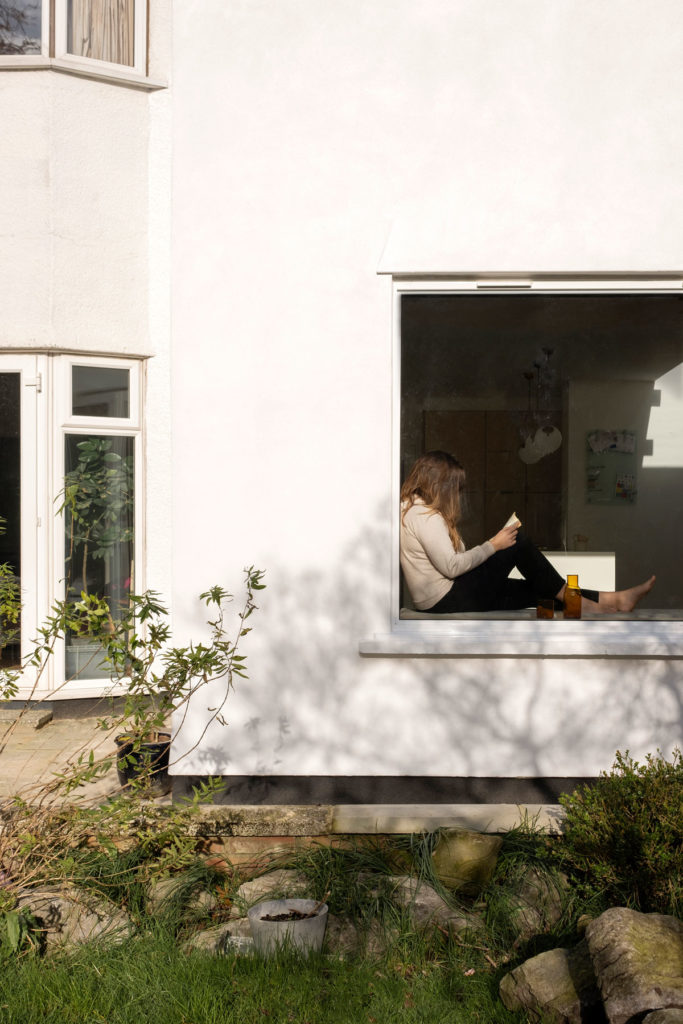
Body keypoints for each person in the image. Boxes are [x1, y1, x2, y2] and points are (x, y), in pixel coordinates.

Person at [400, 450, 656, 614]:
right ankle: (589, 605)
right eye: (455, 488)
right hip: (447, 600)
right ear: (439, 485)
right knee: (517, 541)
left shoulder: (412, 510)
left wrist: (492, 546)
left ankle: (612, 600)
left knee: (539, 589)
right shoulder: (423, 515)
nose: (456, 495)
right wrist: (494, 545)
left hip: (443, 599)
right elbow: (451, 567)